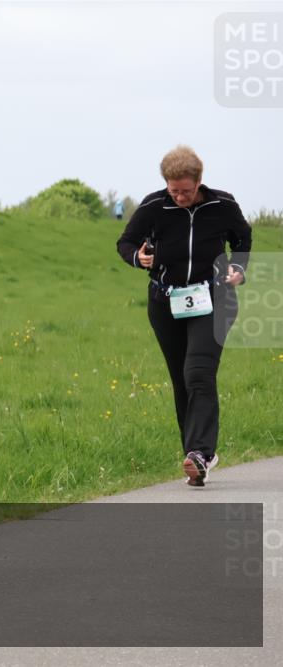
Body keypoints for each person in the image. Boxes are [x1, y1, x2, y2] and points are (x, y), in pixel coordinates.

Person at [116, 145, 251, 487]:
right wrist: (138, 258)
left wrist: (237, 267)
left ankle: (202, 453)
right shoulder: (153, 205)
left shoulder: (222, 204)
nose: (180, 197)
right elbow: (126, 242)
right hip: (166, 302)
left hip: (215, 296)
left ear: (199, 182)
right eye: (173, 191)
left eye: (186, 191)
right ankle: (195, 457)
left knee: (198, 373)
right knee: (181, 379)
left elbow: (243, 239)